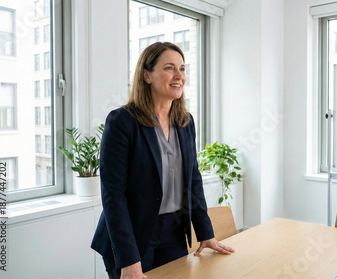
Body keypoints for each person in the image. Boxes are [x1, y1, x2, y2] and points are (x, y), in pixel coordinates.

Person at [91, 42, 234, 279]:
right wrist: (129, 258)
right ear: (146, 75)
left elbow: (193, 180)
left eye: (183, 69)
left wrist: (206, 233)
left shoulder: (185, 121)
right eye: (170, 68)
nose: (179, 76)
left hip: (174, 230)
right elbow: (113, 194)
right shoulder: (122, 122)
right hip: (132, 234)